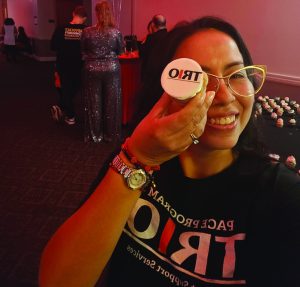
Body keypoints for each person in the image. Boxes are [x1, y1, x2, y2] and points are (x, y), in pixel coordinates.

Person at [39, 16, 300, 287]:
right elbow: (57, 280)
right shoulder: (135, 159)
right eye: (199, 79)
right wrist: (137, 160)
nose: (224, 97)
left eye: (236, 75)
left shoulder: (281, 194)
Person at [80, 1, 123, 143]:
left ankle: (94, 136)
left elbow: (83, 51)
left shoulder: (87, 32)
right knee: (112, 102)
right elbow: (120, 51)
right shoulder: (116, 32)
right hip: (111, 68)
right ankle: (111, 135)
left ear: (96, 13)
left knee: (94, 102)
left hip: (92, 68)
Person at [50, 5, 87, 125]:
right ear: (85, 18)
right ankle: (66, 111)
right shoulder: (87, 30)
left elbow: (53, 46)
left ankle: (67, 113)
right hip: (80, 64)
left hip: (63, 63)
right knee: (75, 87)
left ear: (73, 14)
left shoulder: (61, 28)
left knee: (65, 88)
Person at [139, 14, 168, 81]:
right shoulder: (170, 36)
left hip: (151, 75)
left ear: (153, 24)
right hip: (164, 74)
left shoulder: (151, 38)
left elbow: (142, 53)